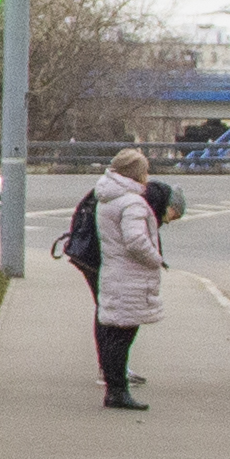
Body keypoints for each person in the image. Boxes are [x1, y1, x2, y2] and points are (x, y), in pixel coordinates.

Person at [76, 143, 168, 409]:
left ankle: (115, 388)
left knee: (114, 332)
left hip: (114, 272)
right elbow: (136, 241)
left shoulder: (107, 198)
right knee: (122, 335)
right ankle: (117, 392)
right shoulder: (132, 203)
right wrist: (156, 259)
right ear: (136, 174)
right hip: (130, 277)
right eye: (144, 171)